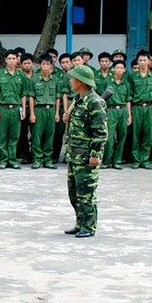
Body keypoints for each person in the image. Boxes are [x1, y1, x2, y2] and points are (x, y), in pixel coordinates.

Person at [62, 65, 107, 238]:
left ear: (81, 81)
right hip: (75, 154)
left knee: (86, 194)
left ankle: (89, 227)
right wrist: (67, 117)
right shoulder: (78, 100)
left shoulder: (95, 102)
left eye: (73, 78)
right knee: (74, 193)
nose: (71, 81)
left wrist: (95, 154)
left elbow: (100, 132)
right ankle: (80, 223)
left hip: (87, 157)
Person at [29, 54, 61, 169]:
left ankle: (48, 159)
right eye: (43, 64)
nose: (46, 66)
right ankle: (37, 159)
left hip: (51, 110)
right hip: (39, 109)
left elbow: (58, 98)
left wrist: (57, 113)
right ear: (39, 65)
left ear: (51, 65)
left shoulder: (56, 80)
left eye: (48, 64)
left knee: (50, 135)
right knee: (36, 136)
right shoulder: (34, 79)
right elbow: (31, 97)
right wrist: (32, 113)